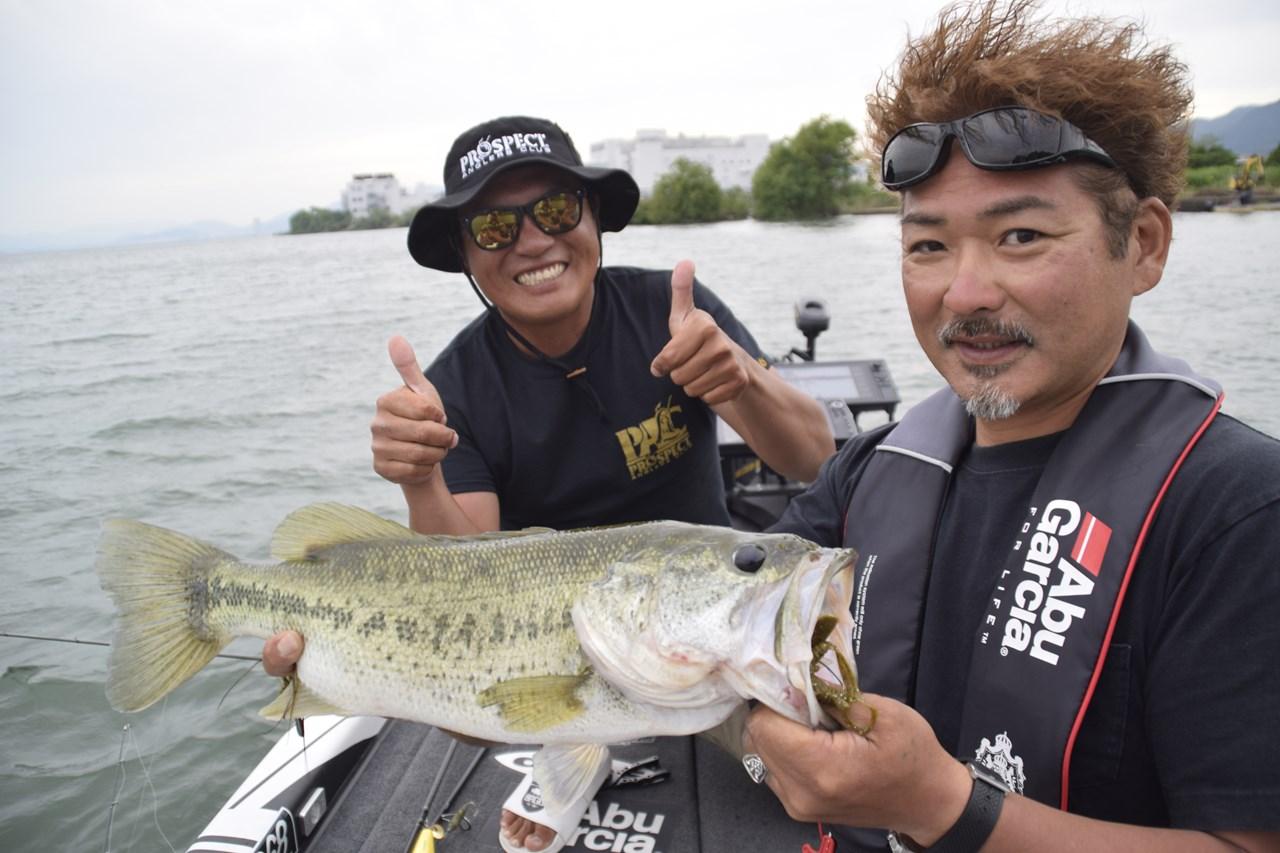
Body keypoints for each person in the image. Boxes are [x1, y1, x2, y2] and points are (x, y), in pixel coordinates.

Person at [741, 2, 1280, 851]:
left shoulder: (1239, 512)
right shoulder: (869, 474)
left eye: (1020, 235)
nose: (965, 293)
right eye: (927, 247)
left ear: (1142, 244)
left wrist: (945, 806)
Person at [263, 115, 836, 852]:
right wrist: (420, 477)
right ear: (467, 254)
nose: (533, 241)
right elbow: (461, 576)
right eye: (495, 227)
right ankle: (575, 750)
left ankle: (604, 744)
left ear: (594, 220)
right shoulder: (454, 391)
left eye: (557, 211)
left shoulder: (674, 313)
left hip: (713, 626)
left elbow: (813, 456)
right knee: (475, 707)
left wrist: (743, 379)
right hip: (556, 651)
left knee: (806, 772)